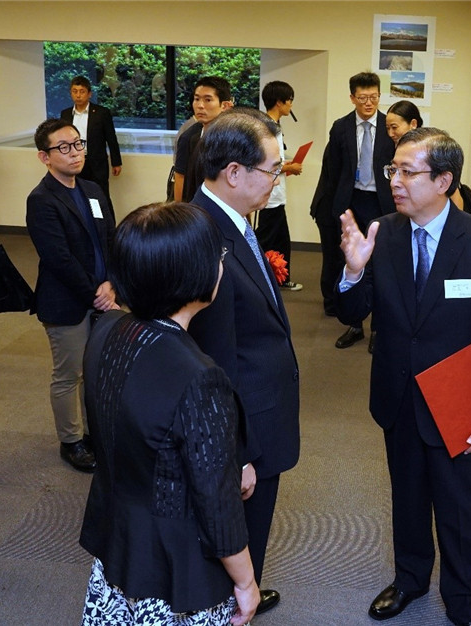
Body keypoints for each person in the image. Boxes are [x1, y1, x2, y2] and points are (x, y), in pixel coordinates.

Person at [336, 128, 471, 626]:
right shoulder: (385, 233)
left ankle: (465, 607)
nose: (395, 181)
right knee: (407, 499)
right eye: (391, 170)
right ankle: (410, 580)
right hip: (399, 396)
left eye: (407, 172)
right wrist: (353, 272)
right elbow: (353, 309)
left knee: (460, 513)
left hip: (459, 402)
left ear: (444, 180)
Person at [79, 202, 259, 626]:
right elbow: (217, 505)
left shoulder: (107, 329)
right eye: (217, 256)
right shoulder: (199, 377)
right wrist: (247, 583)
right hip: (173, 575)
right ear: (191, 273)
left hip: (120, 550)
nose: (220, 265)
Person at [187, 108, 300, 616]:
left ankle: (245, 586)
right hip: (243, 429)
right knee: (232, 532)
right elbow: (213, 364)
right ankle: (234, 599)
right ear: (234, 172)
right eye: (273, 169)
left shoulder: (233, 222)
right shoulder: (205, 239)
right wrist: (238, 452)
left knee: (251, 532)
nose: (278, 179)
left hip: (260, 412)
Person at [26, 118, 118, 473]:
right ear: (44, 157)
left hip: (103, 295)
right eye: (63, 147)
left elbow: (110, 240)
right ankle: (71, 441)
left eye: (77, 144)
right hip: (66, 302)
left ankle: (96, 434)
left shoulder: (93, 190)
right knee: (70, 374)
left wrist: (112, 283)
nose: (74, 152)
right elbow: (57, 258)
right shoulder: (41, 200)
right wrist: (95, 293)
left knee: (97, 371)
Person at [319, 71, 396, 349]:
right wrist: (334, 207)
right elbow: (333, 171)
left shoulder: (390, 125)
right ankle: (354, 324)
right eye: (362, 97)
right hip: (352, 202)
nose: (368, 103)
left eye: (373, 97)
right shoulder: (340, 127)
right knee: (351, 262)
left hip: (382, 203)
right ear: (352, 97)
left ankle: (377, 328)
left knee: (380, 264)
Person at [386, 100, 471, 215]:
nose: (390, 133)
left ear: (413, 124)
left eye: (394, 127)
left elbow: (455, 201)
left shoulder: (432, 150)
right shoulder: (390, 149)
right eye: (387, 128)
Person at [256, 80, 303, 291]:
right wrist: (289, 168)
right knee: (266, 239)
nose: (291, 105)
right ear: (279, 102)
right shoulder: (267, 127)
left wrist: (287, 167)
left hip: (276, 193)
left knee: (281, 239)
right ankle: (263, 278)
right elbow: (265, 163)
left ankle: (280, 278)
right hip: (269, 195)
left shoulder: (272, 126)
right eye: (289, 100)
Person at [60, 76, 122, 211]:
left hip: (96, 162)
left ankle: (108, 229)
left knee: (101, 196)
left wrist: (116, 162)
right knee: (77, 195)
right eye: (74, 91)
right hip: (74, 161)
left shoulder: (101, 113)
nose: (78, 95)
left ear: (89, 94)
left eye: (82, 91)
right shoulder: (65, 114)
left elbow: (111, 138)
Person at [173, 76, 232, 203]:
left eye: (208, 100)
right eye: (197, 99)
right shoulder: (189, 137)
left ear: (225, 105)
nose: (200, 106)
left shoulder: (234, 137)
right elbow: (180, 177)